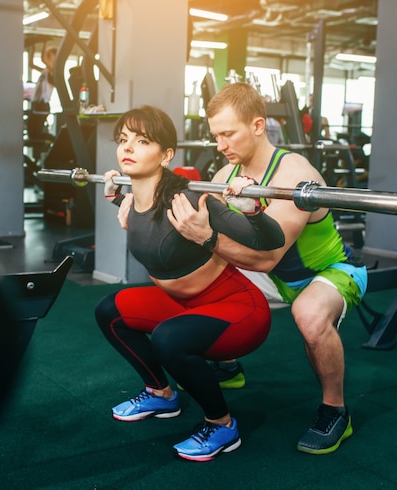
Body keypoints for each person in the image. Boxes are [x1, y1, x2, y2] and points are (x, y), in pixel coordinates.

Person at [164, 82, 368, 455]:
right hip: (274, 279)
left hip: (329, 272)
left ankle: (335, 411)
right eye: (216, 136)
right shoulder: (227, 175)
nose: (221, 145)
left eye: (228, 134)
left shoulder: (293, 174)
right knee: (202, 279)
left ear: (258, 126)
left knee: (307, 313)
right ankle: (227, 364)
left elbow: (266, 257)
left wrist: (206, 237)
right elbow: (199, 230)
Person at [94, 105, 285, 461]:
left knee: (169, 337)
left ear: (166, 154)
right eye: (123, 140)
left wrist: (253, 209)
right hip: (185, 306)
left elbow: (269, 242)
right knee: (109, 311)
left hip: (239, 311)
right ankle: (161, 393)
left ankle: (222, 425)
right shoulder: (132, 200)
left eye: (142, 141)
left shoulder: (191, 199)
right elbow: (151, 230)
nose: (128, 148)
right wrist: (117, 198)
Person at [27, 46, 58, 139]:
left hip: (43, 105)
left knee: (36, 134)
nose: (48, 56)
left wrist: (45, 43)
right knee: (31, 133)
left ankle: (54, 139)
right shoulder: (45, 71)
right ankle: (52, 139)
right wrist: (33, 49)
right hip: (36, 103)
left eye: (50, 55)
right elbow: (30, 64)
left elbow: (43, 59)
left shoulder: (54, 71)